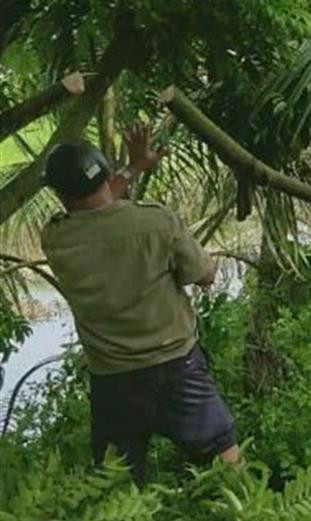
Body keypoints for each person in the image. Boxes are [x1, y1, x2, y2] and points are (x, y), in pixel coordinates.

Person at [40, 128, 239, 483]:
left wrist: (134, 168)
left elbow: (91, 208)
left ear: (59, 194)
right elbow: (205, 275)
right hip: (176, 365)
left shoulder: (56, 238)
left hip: (113, 379)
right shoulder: (155, 222)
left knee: (116, 482)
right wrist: (133, 168)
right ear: (103, 172)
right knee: (223, 452)